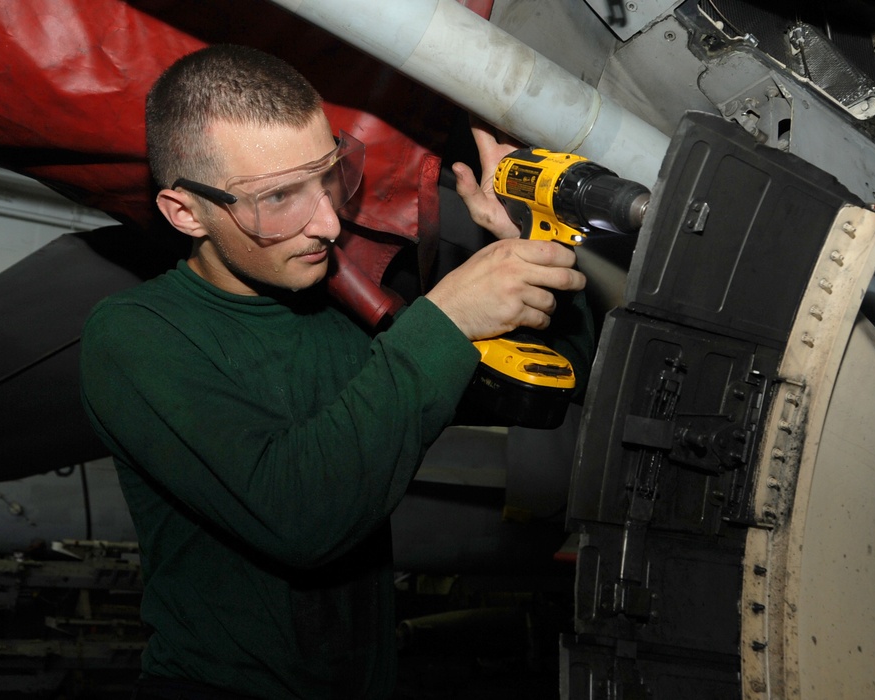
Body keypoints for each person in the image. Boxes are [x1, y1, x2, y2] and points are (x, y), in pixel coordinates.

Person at [80, 44, 594, 700]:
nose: (327, 223)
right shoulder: (135, 335)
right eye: (278, 198)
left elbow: (554, 383)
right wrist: (444, 321)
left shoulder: (346, 317)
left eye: (329, 177)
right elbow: (299, 517)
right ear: (187, 212)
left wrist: (537, 242)